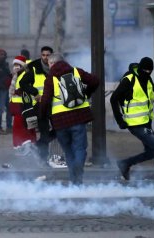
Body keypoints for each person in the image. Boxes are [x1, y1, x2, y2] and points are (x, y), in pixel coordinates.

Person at [40, 53, 99, 185]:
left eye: (49, 64)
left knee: (68, 151)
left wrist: (42, 117)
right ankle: (78, 174)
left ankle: (75, 180)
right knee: (80, 149)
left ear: (51, 64)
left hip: (60, 121)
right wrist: (86, 93)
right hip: (78, 118)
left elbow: (45, 101)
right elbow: (95, 81)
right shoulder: (76, 72)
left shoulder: (51, 78)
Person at [110, 57, 154, 181]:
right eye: (145, 70)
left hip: (146, 122)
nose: (147, 73)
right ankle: (125, 163)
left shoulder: (148, 80)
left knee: (152, 151)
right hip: (134, 123)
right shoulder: (129, 80)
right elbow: (113, 99)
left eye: (150, 71)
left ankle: (125, 164)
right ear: (140, 68)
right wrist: (120, 120)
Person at [20, 46, 53, 160]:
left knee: (60, 129)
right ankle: (44, 157)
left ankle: (37, 146)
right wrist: (35, 93)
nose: (45, 57)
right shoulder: (34, 67)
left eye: (47, 55)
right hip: (40, 105)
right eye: (43, 55)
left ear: (51, 56)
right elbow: (23, 83)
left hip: (55, 104)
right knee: (44, 131)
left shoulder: (56, 66)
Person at [9, 55, 37, 156]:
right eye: (14, 65)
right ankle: (28, 147)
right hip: (17, 106)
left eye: (18, 65)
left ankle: (27, 146)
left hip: (24, 105)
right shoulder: (16, 75)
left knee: (23, 126)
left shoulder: (26, 73)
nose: (16, 67)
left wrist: (18, 91)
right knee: (22, 126)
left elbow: (27, 87)